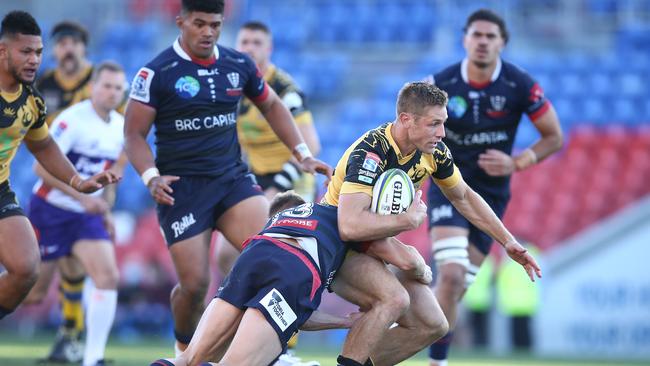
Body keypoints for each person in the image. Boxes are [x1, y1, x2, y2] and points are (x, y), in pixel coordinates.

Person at [124, 0, 331, 354]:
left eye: (215, 25)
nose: (208, 32)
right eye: (200, 24)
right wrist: (149, 176)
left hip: (232, 182)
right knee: (194, 285)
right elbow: (132, 134)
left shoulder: (237, 64)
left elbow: (272, 105)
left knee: (279, 259)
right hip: (182, 191)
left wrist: (302, 154)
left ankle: (278, 352)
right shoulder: (157, 72)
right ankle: (184, 353)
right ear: (181, 22)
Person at [322, 81, 542, 366]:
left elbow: (463, 196)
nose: (441, 133)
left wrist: (508, 240)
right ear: (406, 120)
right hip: (336, 246)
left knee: (434, 324)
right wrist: (407, 220)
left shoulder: (433, 152)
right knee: (394, 299)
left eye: (444, 123)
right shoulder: (372, 150)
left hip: (374, 246)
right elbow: (349, 227)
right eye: (433, 124)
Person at [149, 190, 433, 366]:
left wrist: (343, 321)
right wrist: (422, 268)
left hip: (252, 256)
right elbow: (406, 259)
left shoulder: (274, 223)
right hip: (297, 265)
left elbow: (294, 313)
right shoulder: (338, 218)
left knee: (187, 358)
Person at [423, 10, 563, 366]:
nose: (483, 41)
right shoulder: (441, 84)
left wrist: (517, 162)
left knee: (458, 289)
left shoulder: (519, 84)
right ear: (464, 39)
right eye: (477, 35)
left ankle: (411, 316)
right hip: (448, 185)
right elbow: (414, 130)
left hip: (491, 196)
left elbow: (554, 136)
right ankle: (436, 361)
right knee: (451, 277)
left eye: (490, 36)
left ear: (502, 42)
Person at [214, 20, 322, 365]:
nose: (249, 48)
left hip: (293, 180)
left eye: (256, 42)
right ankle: (243, 333)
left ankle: (284, 347)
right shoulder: (233, 86)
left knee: (285, 264)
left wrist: (280, 182)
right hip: (258, 180)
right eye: (244, 41)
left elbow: (312, 145)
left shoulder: (284, 89)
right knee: (225, 257)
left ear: (268, 49)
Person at [0, 10, 118, 322]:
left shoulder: (32, 100)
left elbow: (42, 145)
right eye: (25, 52)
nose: (34, 60)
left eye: (38, 53)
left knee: (26, 268)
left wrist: (78, 181)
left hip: (0, 191)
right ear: (3, 50)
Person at [26, 61, 126, 366]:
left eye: (118, 88)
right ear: (93, 87)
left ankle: (92, 358)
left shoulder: (120, 128)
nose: (112, 93)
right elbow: (40, 167)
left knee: (107, 276)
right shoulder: (72, 120)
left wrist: (105, 210)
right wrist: (83, 199)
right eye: (107, 86)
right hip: (50, 210)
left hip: (86, 216)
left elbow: (108, 178)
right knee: (33, 292)